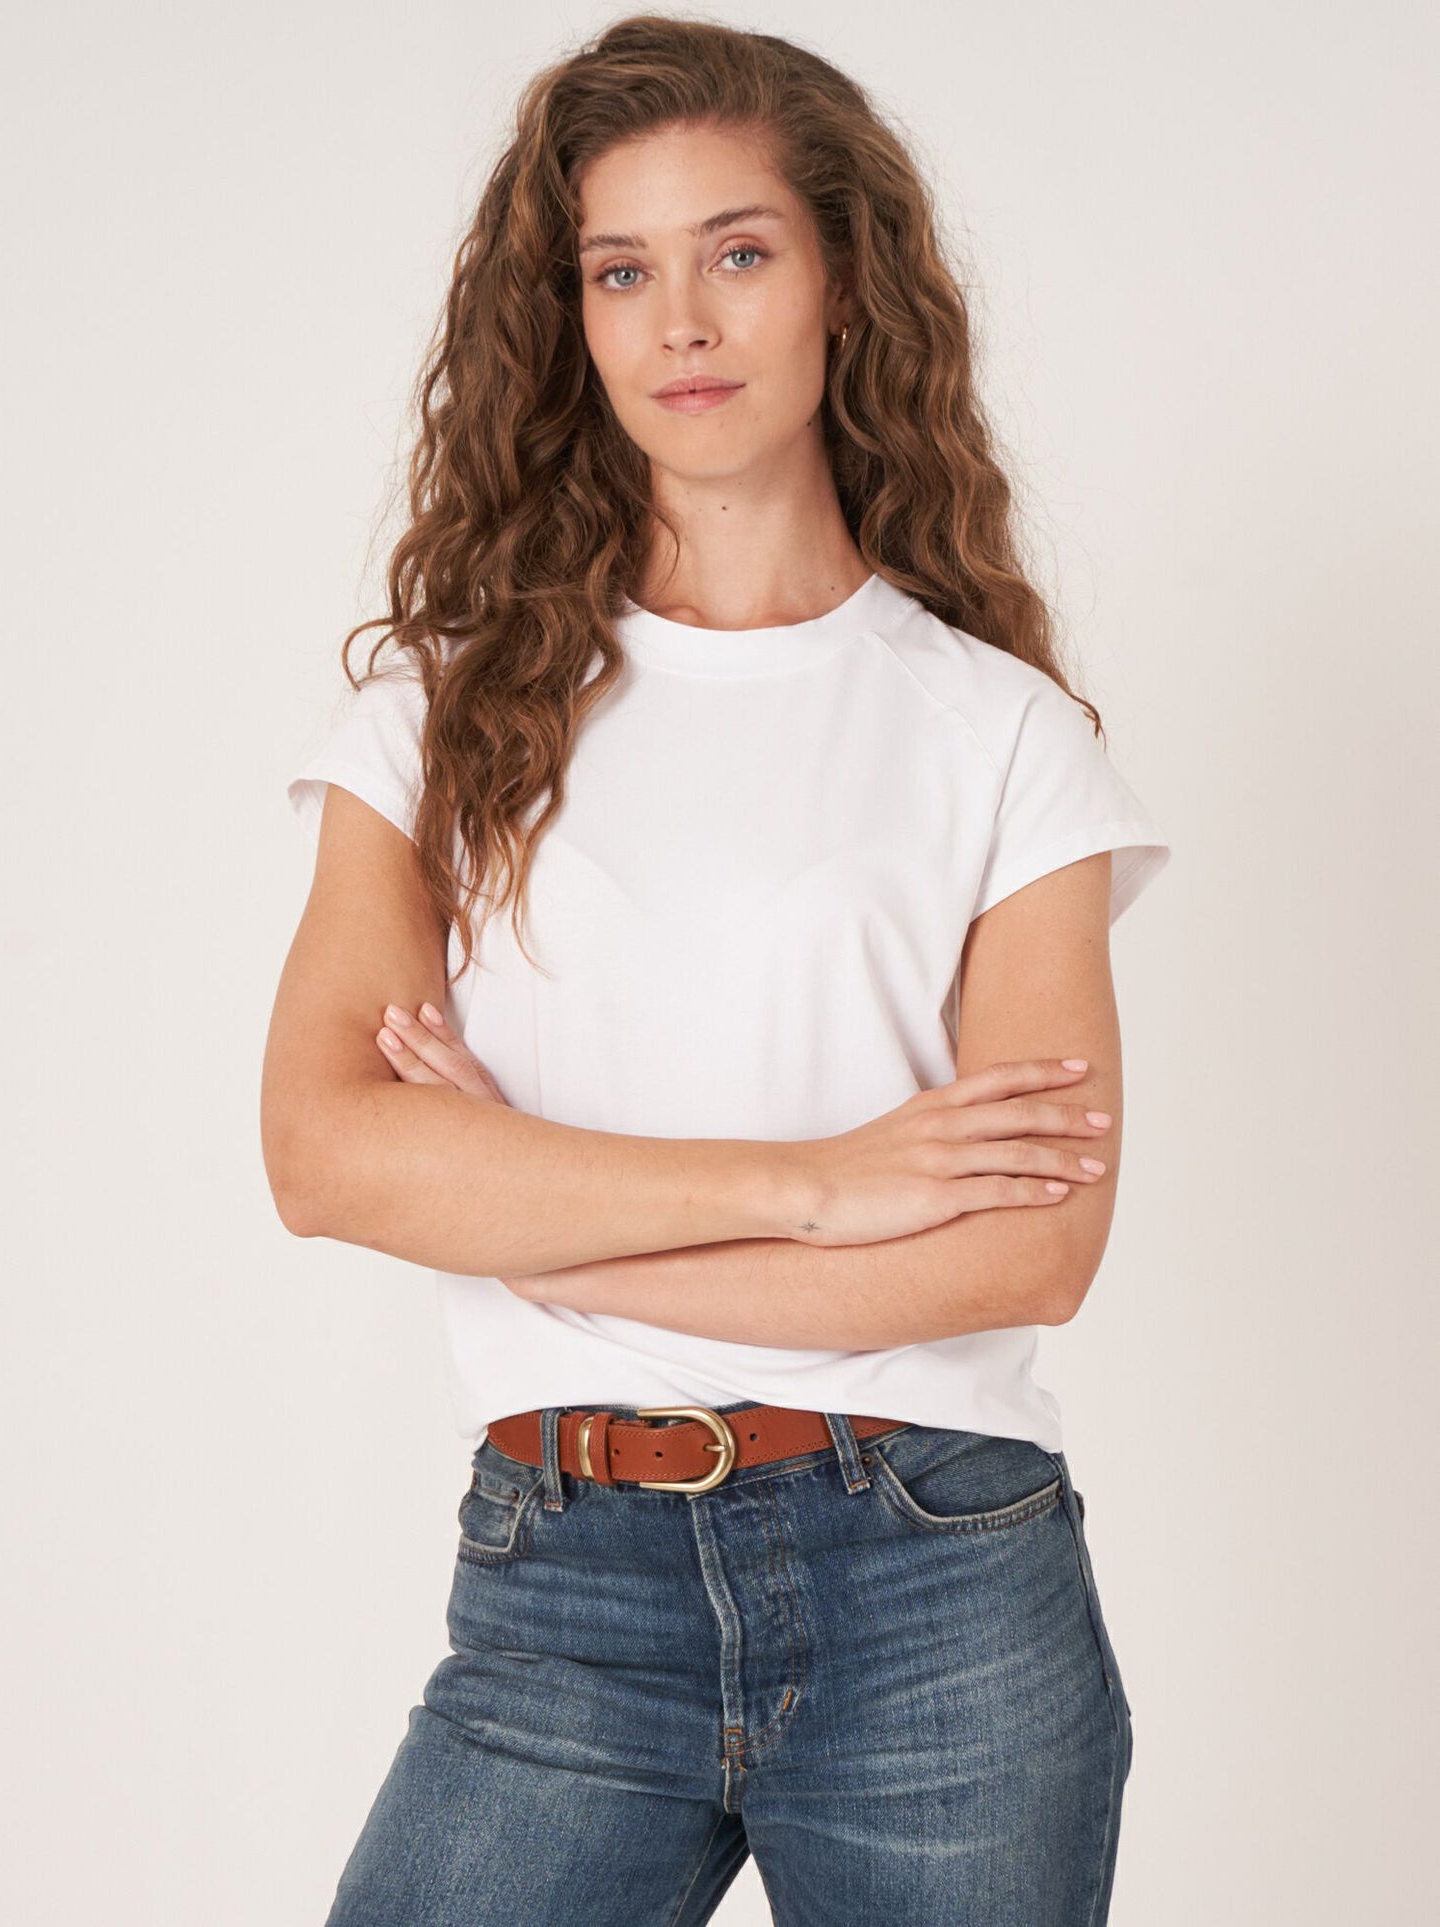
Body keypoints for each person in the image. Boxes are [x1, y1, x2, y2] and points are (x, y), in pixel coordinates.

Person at [263, 15, 1171, 1923]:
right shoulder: (441, 716)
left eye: (737, 252)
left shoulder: (1000, 737)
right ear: (571, 321)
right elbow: (328, 1156)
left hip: (935, 1574)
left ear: (845, 282)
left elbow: (1025, 1253)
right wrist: (820, 1184)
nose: (679, 320)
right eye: (621, 271)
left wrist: (532, 1221)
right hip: (562, 1586)